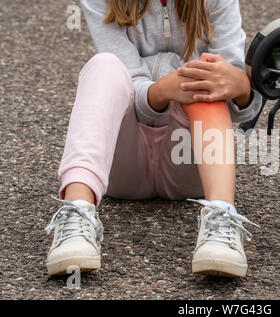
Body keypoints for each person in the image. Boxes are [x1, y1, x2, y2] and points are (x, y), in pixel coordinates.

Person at [45, 0, 263, 278]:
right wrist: (159, 92)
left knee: (206, 75)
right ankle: (76, 213)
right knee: (103, 65)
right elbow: (126, 80)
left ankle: (222, 219)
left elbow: (231, 87)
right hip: (124, 166)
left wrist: (243, 86)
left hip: (189, 164)